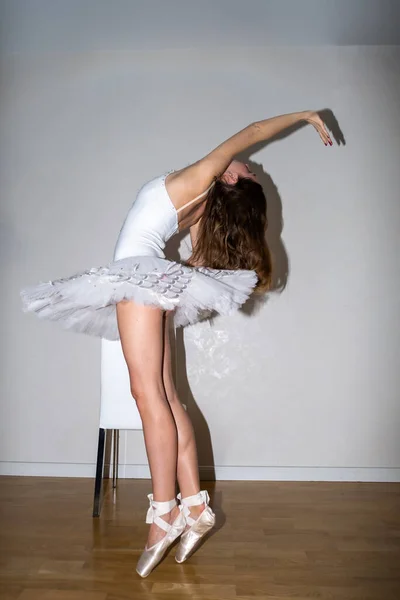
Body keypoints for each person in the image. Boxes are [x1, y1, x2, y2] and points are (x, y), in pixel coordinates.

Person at [20, 110, 332, 577]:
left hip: (138, 277)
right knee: (164, 396)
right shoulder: (201, 201)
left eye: (247, 168)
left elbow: (251, 132)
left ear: (228, 174)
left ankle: (164, 511)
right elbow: (193, 257)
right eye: (251, 168)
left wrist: (305, 116)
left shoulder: (203, 176)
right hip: (147, 278)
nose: (250, 165)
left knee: (149, 398)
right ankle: (194, 507)